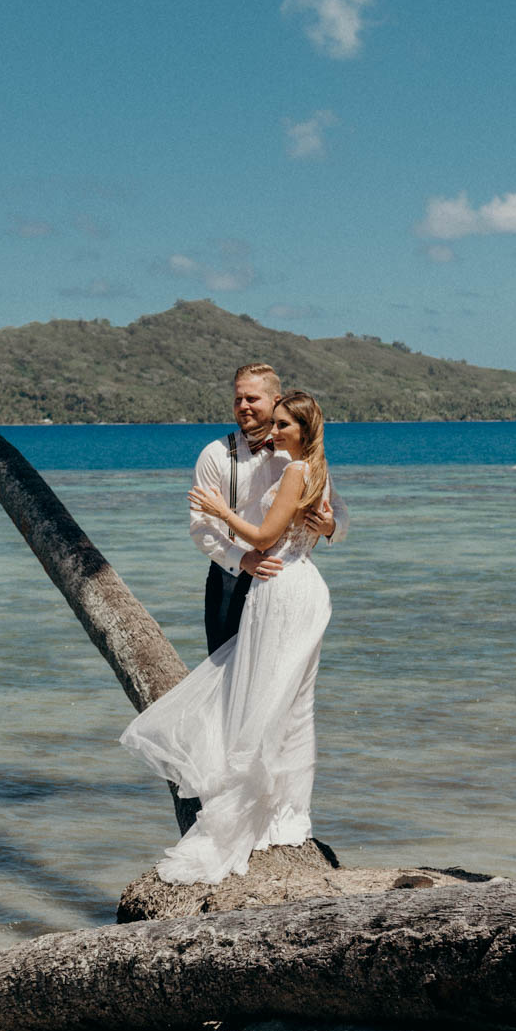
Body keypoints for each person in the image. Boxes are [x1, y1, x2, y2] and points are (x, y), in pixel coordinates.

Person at [120, 390, 336, 884]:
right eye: (274, 423)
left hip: (282, 587)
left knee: (265, 699)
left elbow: (264, 538)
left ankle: (261, 813)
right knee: (291, 704)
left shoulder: (297, 471)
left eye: (284, 425)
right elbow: (310, 524)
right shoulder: (316, 467)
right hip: (300, 586)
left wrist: (219, 509)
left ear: (302, 429)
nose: (274, 432)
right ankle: (288, 816)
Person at [193, 363, 347, 653]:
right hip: (230, 577)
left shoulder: (299, 456)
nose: (243, 406)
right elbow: (200, 526)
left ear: (276, 400)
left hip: (282, 579)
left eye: (252, 399)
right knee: (223, 671)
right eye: (238, 399)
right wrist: (242, 559)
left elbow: (338, 511)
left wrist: (330, 527)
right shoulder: (214, 455)